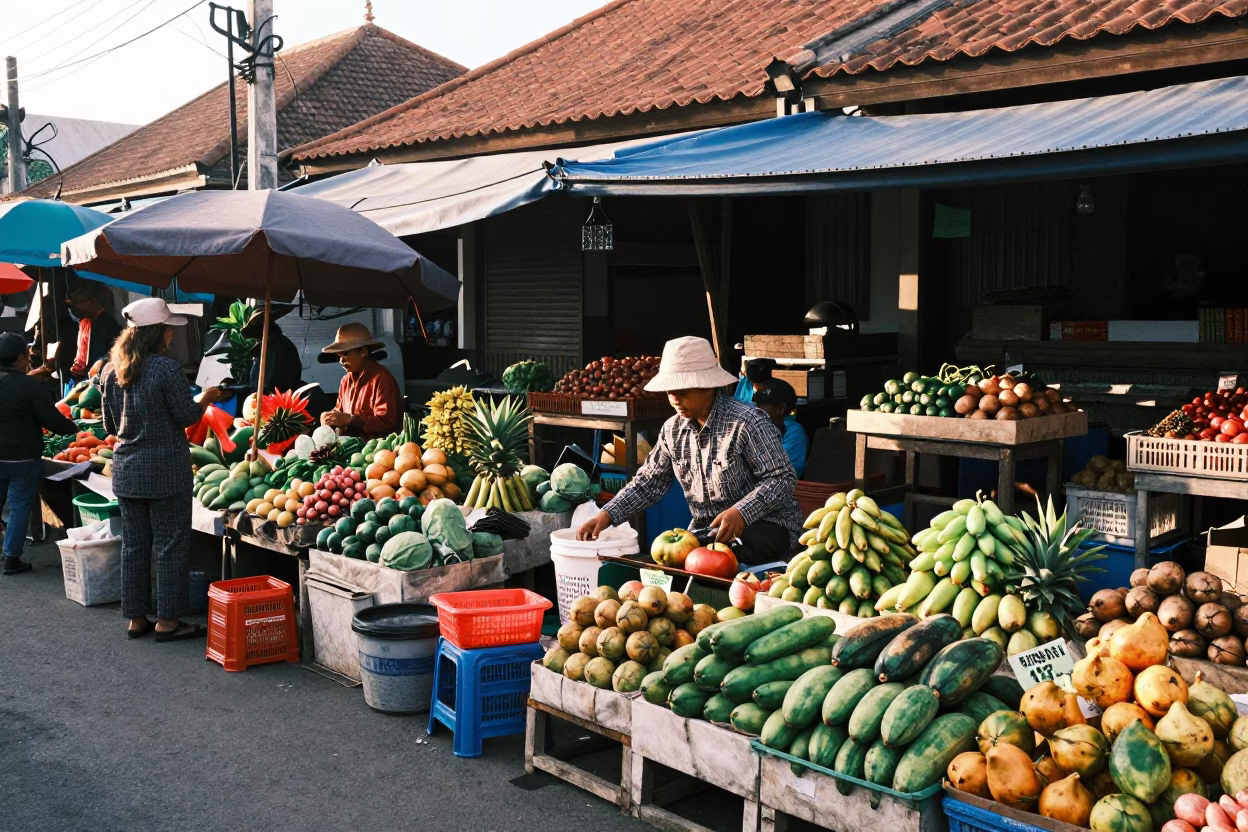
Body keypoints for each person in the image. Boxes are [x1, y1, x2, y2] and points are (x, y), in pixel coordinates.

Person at [577, 336, 802, 565]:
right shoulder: (672, 430)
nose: (675, 399)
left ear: (707, 387)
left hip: (766, 527)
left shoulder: (748, 422)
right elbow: (648, 482)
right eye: (669, 392)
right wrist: (608, 514)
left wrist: (742, 512)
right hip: (708, 533)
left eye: (682, 391)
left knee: (729, 556)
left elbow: (781, 478)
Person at [100, 299, 226, 641]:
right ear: (158, 331)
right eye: (169, 327)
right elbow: (187, 416)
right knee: (170, 544)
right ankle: (168, 621)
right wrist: (206, 397)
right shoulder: (165, 369)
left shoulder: (110, 371)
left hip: (126, 469)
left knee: (135, 545)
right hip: (166, 471)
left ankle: (136, 618)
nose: (172, 332)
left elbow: (110, 424)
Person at [0, 332, 79, 575]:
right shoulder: (28, 385)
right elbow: (50, 419)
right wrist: (73, 428)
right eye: (27, 354)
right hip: (23, 456)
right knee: (20, 506)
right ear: (20, 357)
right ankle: (12, 557)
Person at [318, 322, 402, 439]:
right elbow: (339, 411)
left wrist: (352, 420)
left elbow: (387, 421)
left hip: (377, 450)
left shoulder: (382, 378)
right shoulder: (345, 381)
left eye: (345, 354)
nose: (341, 361)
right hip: (349, 446)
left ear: (363, 351)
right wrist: (329, 417)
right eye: (339, 356)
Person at [65, 281, 122, 382]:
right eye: (70, 305)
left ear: (90, 301)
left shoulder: (108, 324)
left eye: (76, 303)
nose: (73, 308)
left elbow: (115, 352)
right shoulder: (84, 323)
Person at [753, 378, 808, 478]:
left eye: (763, 406)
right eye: (756, 405)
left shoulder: (794, 432)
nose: (757, 410)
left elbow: (784, 472)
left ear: (781, 409)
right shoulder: (759, 426)